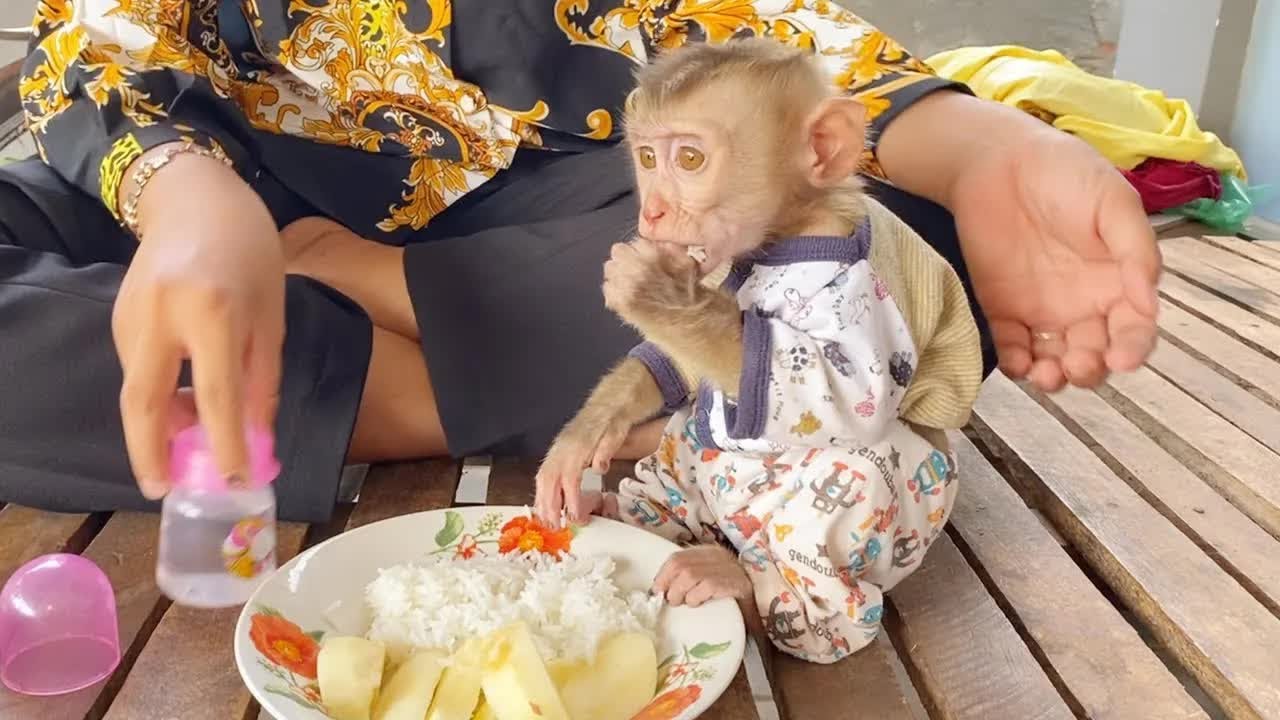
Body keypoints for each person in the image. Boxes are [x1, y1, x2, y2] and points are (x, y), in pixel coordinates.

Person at [0, 2, 1159, 523]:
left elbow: (749, 43)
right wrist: (191, 209)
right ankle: (419, 378)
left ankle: (363, 384)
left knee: (894, 254)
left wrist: (979, 149)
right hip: (217, 182)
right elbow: (95, 46)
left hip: (569, 198)